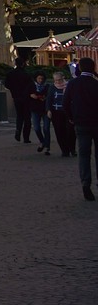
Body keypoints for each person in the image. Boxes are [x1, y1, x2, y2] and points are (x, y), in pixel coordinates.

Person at [66, 57, 98, 201]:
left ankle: (86, 183)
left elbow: (65, 102)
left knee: (84, 154)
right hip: (96, 122)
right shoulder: (95, 84)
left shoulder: (73, 83)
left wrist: (71, 117)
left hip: (81, 123)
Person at [4, 58, 34, 143]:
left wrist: (13, 90)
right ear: (23, 64)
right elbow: (31, 86)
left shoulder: (10, 74)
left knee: (19, 115)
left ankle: (18, 130)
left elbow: (7, 84)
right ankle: (26, 137)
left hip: (16, 97)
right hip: (26, 98)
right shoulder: (26, 74)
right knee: (27, 117)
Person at [50, 71, 77, 157]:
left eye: (59, 80)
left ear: (63, 78)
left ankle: (72, 149)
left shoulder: (69, 86)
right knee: (59, 131)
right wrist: (48, 110)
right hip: (56, 112)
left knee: (70, 131)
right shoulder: (52, 87)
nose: (57, 82)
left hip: (68, 111)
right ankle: (64, 150)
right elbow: (49, 99)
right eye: (56, 80)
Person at [29, 71, 51, 153]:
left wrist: (44, 98)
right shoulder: (32, 86)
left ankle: (47, 147)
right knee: (36, 128)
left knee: (46, 128)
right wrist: (31, 95)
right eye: (39, 78)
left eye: (42, 79)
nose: (40, 80)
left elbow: (49, 96)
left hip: (45, 109)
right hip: (35, 109)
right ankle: (42, 142)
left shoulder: (47, 87)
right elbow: (26, 95)